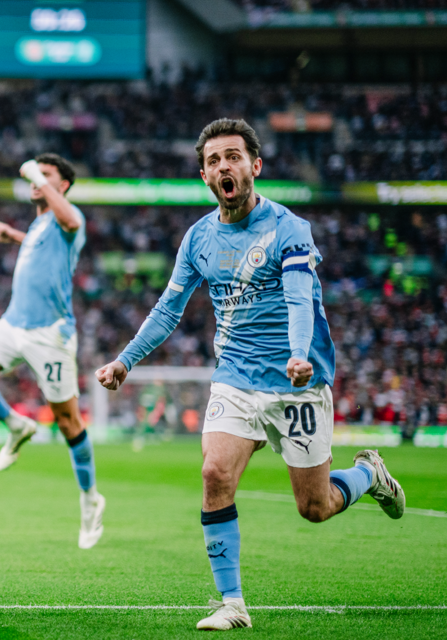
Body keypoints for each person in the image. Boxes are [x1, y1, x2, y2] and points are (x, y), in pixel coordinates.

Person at [95, 118, 406, 631]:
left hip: (296, 380)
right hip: (235, 377)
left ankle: (369, 473)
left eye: (233, 157)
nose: (224, 166)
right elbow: (168, 309)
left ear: (254, 166)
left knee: (315, 506)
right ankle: (232, 603)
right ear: (204, 176)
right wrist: (125, 360)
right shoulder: (197, 238)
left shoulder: (288, 228)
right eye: (214, 160)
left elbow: (299, 296)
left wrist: (300, 352)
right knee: (214, 473)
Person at [0, 153, 105, 550]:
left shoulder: (69, 219)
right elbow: (42, 253)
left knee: (68, 421)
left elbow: (70, 223)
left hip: (48, 334)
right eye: (36, 175)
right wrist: (14, 236)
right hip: (12, 324)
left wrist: (34, 172)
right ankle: (16, 425)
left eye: (47, 175)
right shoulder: (38, 225)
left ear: (63, 185)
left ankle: (90, 499)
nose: (37, 181)